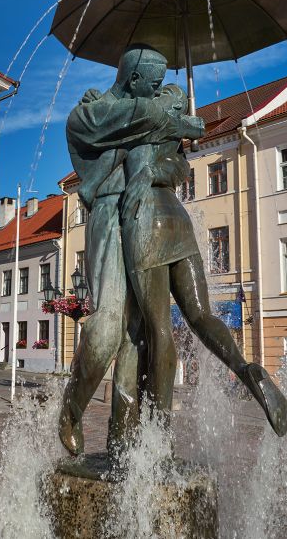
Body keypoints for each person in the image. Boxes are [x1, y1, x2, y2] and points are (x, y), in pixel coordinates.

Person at [59, 45, 205, 456]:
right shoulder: (91, 111)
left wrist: (173, 146)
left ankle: (123, 438)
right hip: (109, 213)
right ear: (133, 79)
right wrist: (175, 120)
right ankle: (71, 409)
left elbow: (177, 166)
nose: (160, 89)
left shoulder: (149, 111)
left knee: (136, 334)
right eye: (153, 83)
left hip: (146, 221)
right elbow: (107, 124)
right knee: (107, 330)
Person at [119, 82, 287, 435]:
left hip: (148, 223)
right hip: (179, 222)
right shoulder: (176, 150)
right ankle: (246, 370)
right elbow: (186, 149)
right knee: (200, 314)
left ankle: (157, 432)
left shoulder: (145, 119)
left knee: (158, 328)